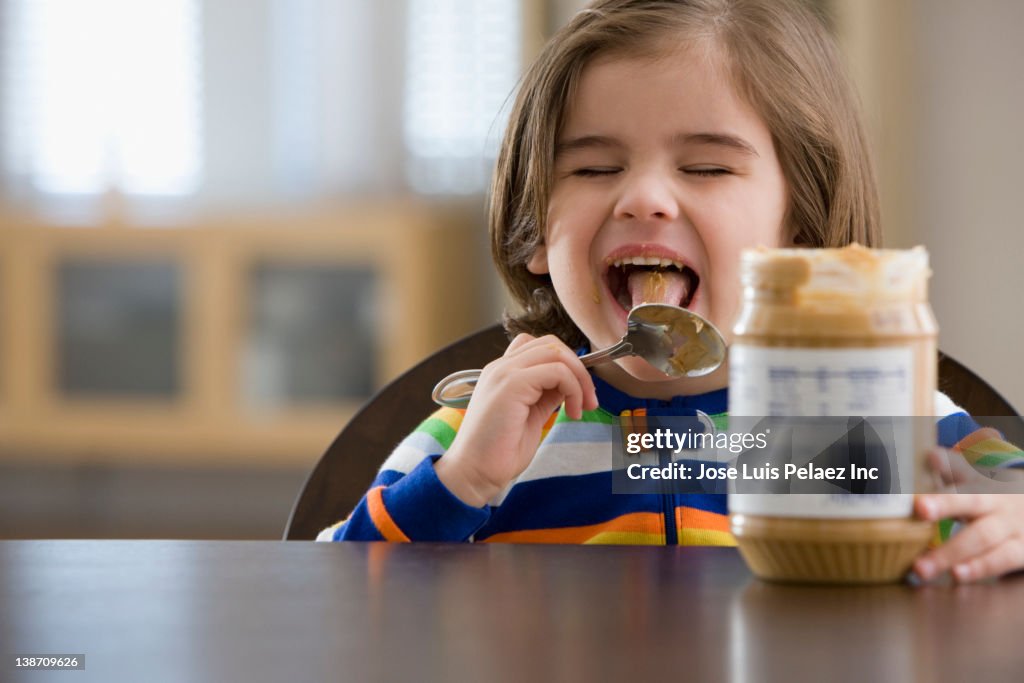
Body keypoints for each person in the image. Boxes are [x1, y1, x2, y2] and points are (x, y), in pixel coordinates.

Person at [317, 0, 1024, 581]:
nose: (645, 197)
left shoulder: (881, 422)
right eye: (594, 169)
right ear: (535, 232)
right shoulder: (476, 439)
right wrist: (461, 483)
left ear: (799, 235)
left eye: (708, 168)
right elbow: (331, 600)